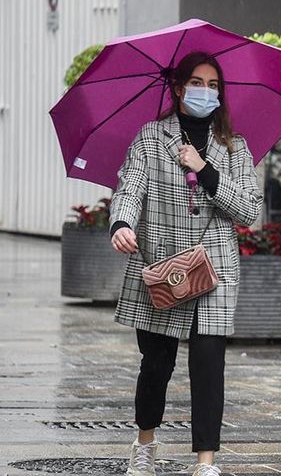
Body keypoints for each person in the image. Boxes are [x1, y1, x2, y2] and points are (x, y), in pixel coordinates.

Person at [109, 51, 263, 476]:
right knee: (156, 363)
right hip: (164, 265)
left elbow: (250, 210)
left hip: (215, 269)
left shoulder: (234, 146)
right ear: (178, 88)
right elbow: (130, 187)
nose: (205, 92)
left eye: (213, 86)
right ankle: (144, 442)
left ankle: (205, 462)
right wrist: (121, 223)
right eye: (197, 83)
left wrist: (204, 169)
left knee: (209, 366)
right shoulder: (151, 137)